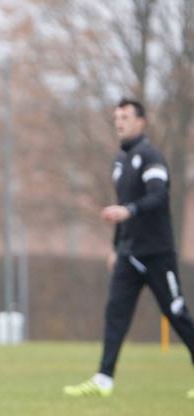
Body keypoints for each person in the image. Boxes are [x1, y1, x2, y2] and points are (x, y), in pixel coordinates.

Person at [64, 98, 194, 398]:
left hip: (158, 254)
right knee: (115, 313)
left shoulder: (151, 157)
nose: (119, 122)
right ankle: (104, 379)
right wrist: (115, 247)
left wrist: (130, 210)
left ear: (141, 121)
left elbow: (158, 197)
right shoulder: (119, 162)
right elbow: (121, 211)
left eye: (124, 116)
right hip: (129, 254)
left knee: (177, 313)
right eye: (116, 117)